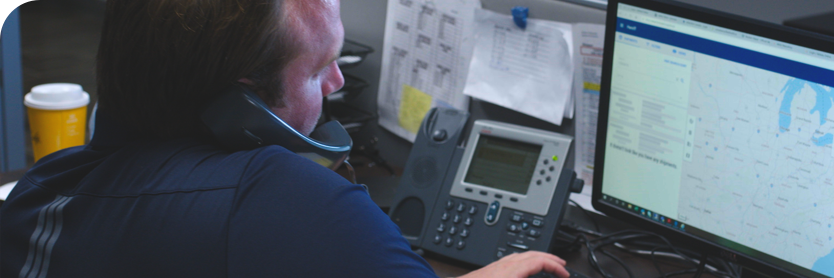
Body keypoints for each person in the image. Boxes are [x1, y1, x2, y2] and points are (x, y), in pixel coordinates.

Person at [0, 1, 570, 277]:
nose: (340, 81)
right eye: (320, 67)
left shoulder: (38, 194)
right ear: (240, 105)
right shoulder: (281, 198)